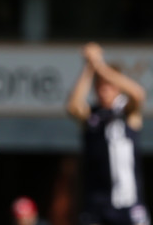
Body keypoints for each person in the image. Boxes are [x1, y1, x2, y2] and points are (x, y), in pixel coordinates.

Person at [66, 42, 150, 225]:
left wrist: (100, 65)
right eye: (100, 85)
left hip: (128, 204)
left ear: (118, 87)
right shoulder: (92, 115)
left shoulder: (128, 112)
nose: (104, 90)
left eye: (109, 85)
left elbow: (138, 94)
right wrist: (89, 67)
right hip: (96, 204)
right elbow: (73, 106)